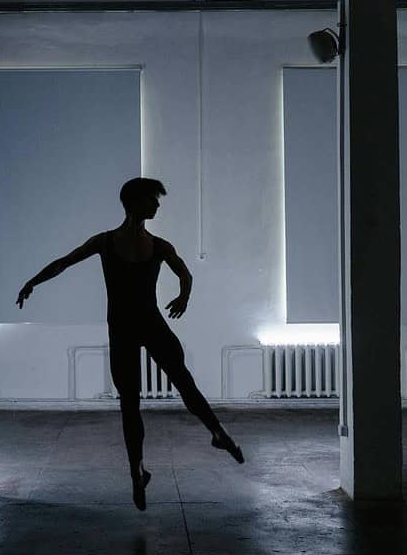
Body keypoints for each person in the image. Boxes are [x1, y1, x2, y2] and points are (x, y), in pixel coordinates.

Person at [16, 177, 244, 511]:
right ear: (134, 202)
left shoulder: (114, 243)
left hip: (125, 327)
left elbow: (65, 262)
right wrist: (183, 294)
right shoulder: (147, 244)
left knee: (136, 400)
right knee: (177, 384)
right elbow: (184, 274)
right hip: (147, 325)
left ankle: (142, 467)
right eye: (153, 199)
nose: (158, 205)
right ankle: (213, 434)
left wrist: (185, 294)